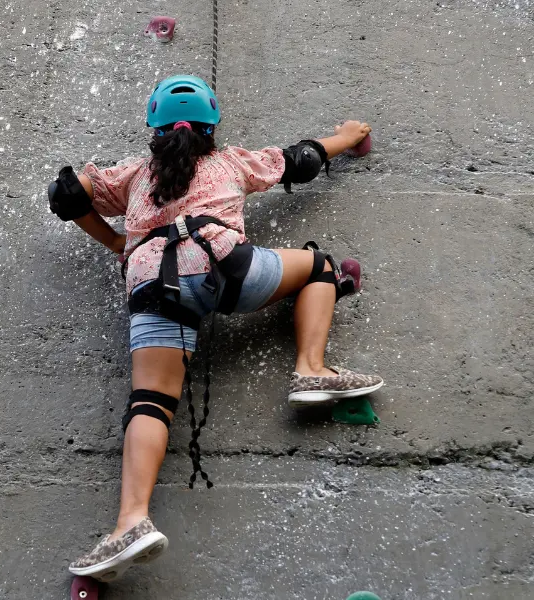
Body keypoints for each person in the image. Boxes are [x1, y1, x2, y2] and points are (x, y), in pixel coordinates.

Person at [48, 74, 383, 582]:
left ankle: (131, 522)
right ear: (212, 127)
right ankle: (311, 370)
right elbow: (304, 160)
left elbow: (67, 192)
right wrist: (348, 134)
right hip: (223, 264)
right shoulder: (230, 162)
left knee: (150, 402)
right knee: (318, 267)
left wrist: (118, 244)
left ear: (152, 129)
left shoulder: (134, 175)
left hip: (150, 282)